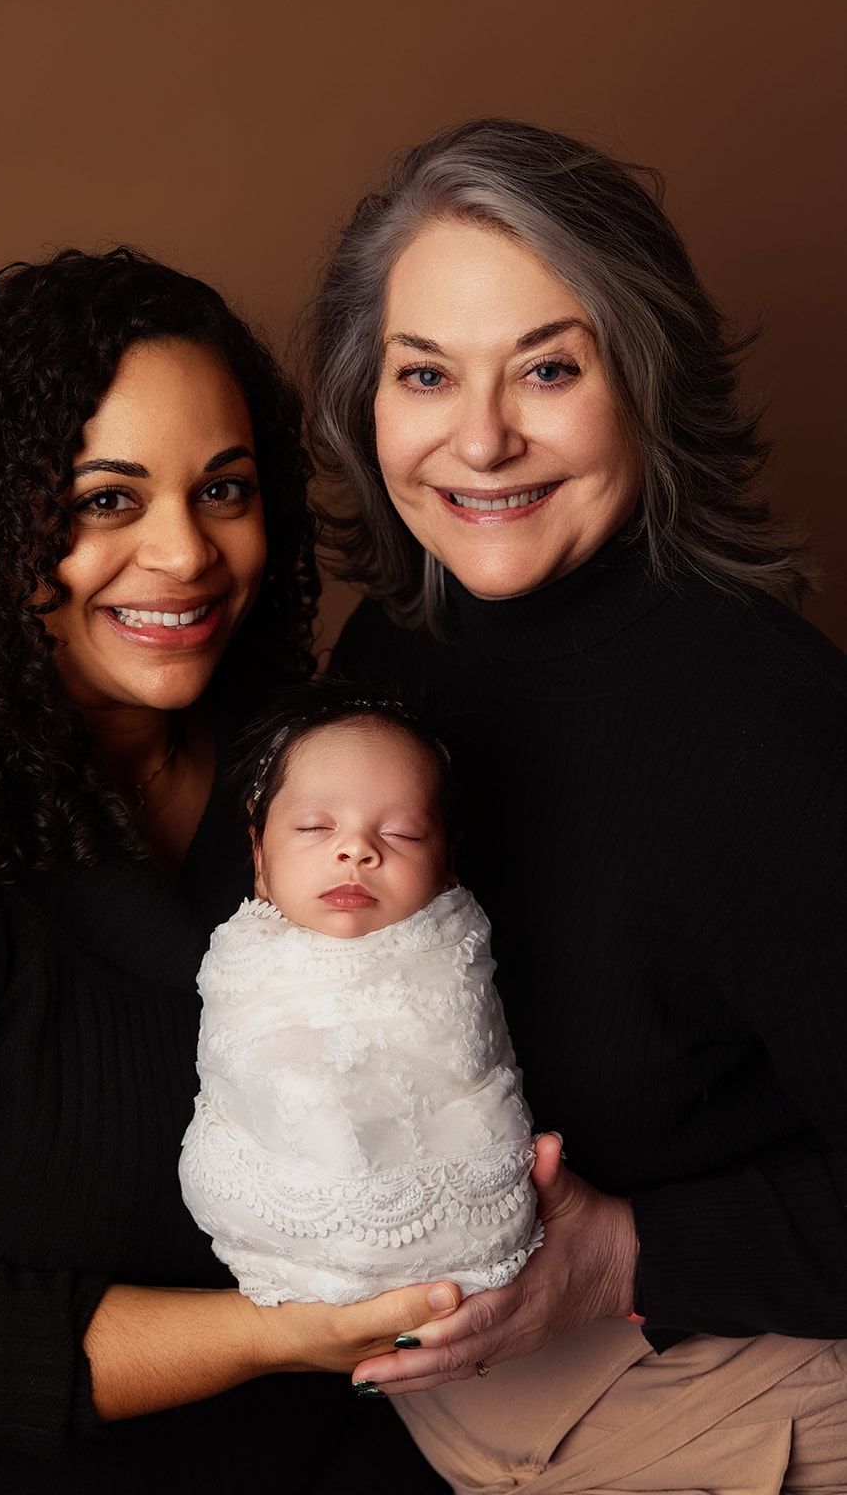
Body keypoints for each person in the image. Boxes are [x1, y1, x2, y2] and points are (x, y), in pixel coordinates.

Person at [0, 247, 457, 1494]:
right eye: (106, 499)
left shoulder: (292, 760)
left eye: (223, 489)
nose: (184, 556)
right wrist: (277, 1337)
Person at [307, 120, 847, 1491]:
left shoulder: (765, 727)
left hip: (719, 1386)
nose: (479, 440)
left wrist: (624, 1252)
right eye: (426, 373)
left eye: (548, 369)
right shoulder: (391, 648)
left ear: (645, 384)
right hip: (453, 1387)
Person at [179, 686, 540, 1310]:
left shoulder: (451, 951)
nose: (356, 850)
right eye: (317, 828)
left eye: (401, 834)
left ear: (448, 863)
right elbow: (235, 1080)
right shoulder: (243, 957)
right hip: (270, 1235)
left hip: (456, 1240)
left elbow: (470, 1073)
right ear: (259, 854)